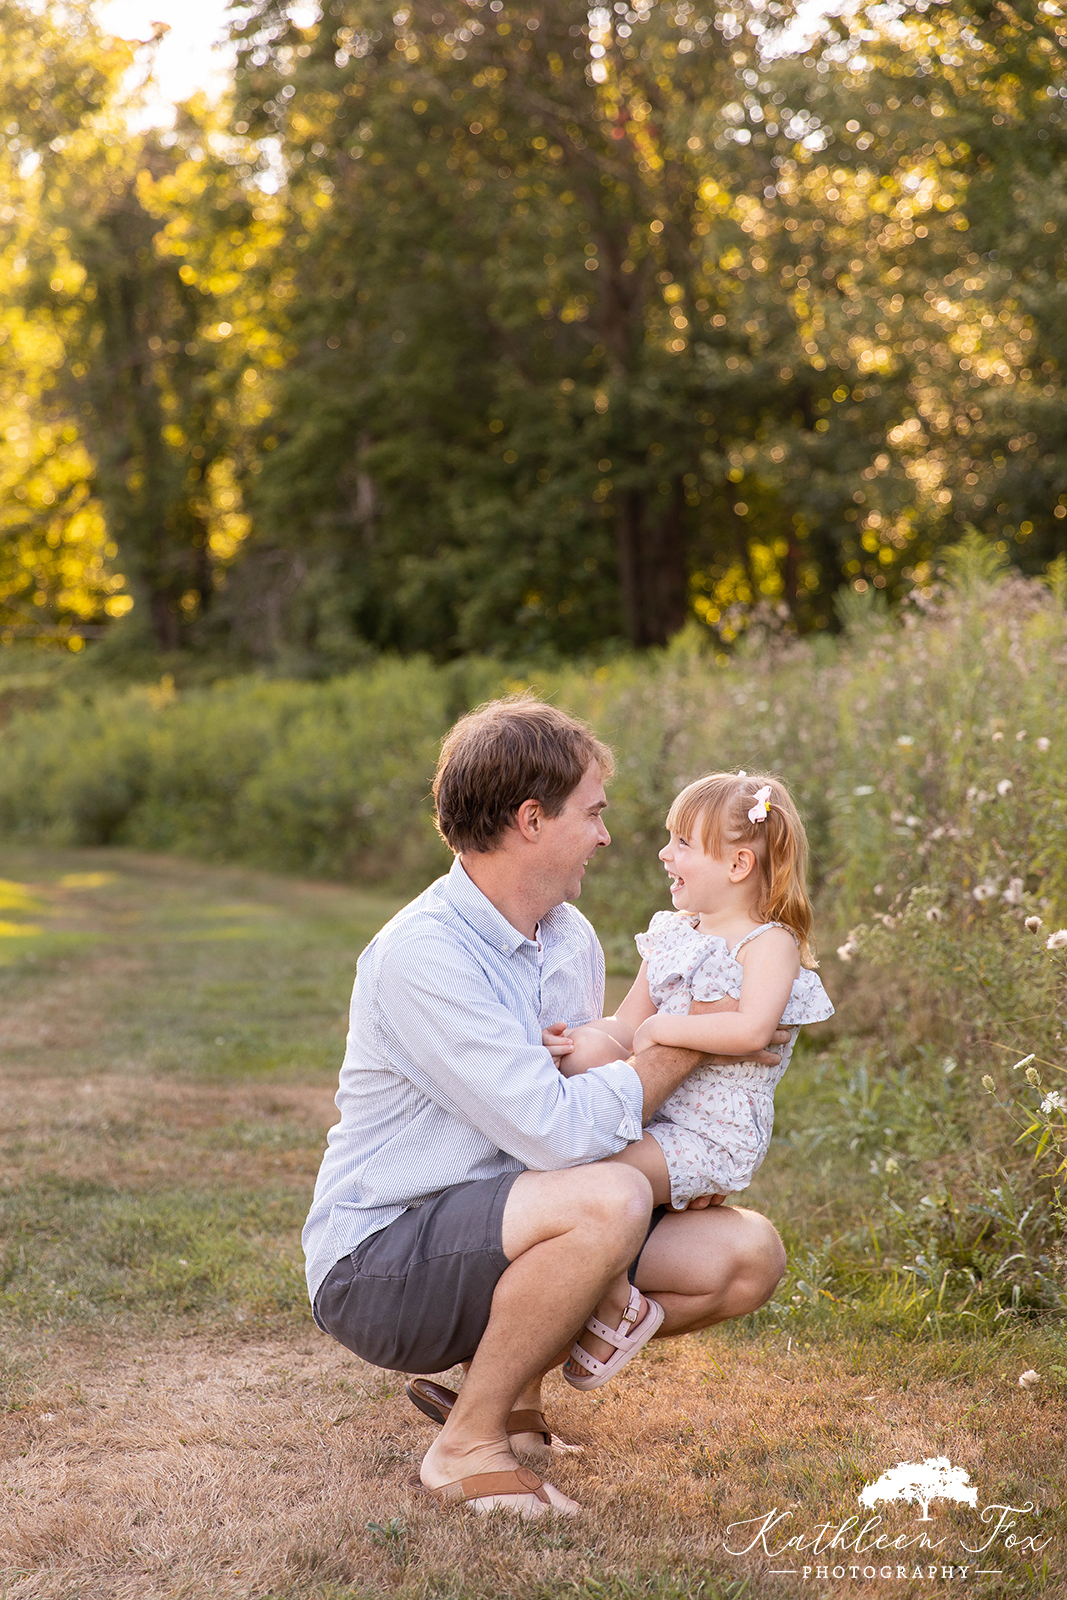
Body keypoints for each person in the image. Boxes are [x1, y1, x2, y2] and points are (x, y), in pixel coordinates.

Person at [302, 699, 789, 1518]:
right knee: (608, 1197)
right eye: (592, 814)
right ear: (532, 820)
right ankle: (467, 1444)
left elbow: (587, 1110)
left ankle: (511, 1403)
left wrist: (677, 1162)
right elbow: (559, 1131)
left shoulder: (568, 936)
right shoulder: (422, 955)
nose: (605, 836)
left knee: (744, 1254)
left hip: (509, 1222)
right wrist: (702, 1037)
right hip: (384, 1261)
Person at [542, 770, 833, 1389]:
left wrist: (664, 1033)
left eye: (681, 843)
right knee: (579, 1072)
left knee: (590, 1176)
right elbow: (626, 1025)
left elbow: (752, 1031)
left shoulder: (768, 944)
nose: (663, 854)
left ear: (738, 864)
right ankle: (579, 1308)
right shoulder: (675, 934)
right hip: (660, 1115)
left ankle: (615, 1297)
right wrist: (564, 1045)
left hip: (709, 1135)